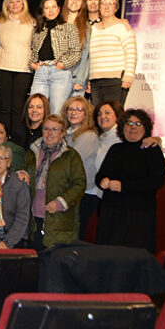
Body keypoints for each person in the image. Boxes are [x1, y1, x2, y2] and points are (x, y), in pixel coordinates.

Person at [95, 109, 165, 252]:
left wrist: (124, 186)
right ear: (122, 127)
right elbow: (100, 176)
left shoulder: (152, 150)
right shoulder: (115, 149)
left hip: (139, 216)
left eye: (138, 123)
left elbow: (157, 181)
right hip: (111, 214)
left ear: (145, 128)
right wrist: (103, 181)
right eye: (129, 123)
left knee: (133, 260)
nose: (133, 127)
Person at [19, 114, 85, 250]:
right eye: (46, 129)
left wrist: (61, 203)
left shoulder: (71, 156)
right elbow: (24, 169)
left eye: (55, 129)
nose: (49, 133)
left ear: (63, 133)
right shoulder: (33, 152)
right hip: (33, 219)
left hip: (59, 220)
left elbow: (79, 184)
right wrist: (22, 173)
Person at [0, 0, 36, 144]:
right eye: (11, 2)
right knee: (4, 107)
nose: (14, 5)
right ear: (6, 5)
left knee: (18, 108)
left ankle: (17, 142)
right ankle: (2, 141)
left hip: (23, 69)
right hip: (3, 67)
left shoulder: (32, 23)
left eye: (18, 1)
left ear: (23, 4)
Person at [29, 0, 81, 115]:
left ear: (59, 9)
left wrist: (62, 64)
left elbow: (76, 52)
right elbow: (33, 51)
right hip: (40, 71)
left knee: (56, 111)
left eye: (53, 7)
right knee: (34, 109)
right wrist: (32, 64)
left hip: (59, 72)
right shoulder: (37, 30)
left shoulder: (69, 27)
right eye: (47, 8)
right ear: (43, 11)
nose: (50, 10)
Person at [89, 0, 137, 105]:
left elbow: (131, 53)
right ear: (99, 7)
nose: (106, 6)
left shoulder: (122, 26)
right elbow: (89, 55)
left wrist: (128, 76)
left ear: (116, 8)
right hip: (95, 80)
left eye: (111, 3)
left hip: (115, 80)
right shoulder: (93, 28)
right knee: (98, 115)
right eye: (103, 3)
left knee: (114, 114)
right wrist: (87, 79)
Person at [61, 96, 99, 239]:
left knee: (76, 234)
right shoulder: (68, 132)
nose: (73, 113)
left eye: (79, 110)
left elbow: (68, 162)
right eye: (70, 109)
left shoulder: (88, 135)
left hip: (85, 194)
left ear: (86, 114)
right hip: (72, 191)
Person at [62, 0, 90, 96]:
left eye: (78, 0)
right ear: (67, 1)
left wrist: (80, 79)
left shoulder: (86, 27)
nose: (74, 2)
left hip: (76, 77)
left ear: (82, 4)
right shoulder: (58, 23)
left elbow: (86, 56)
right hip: (57, 76)